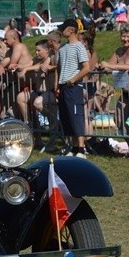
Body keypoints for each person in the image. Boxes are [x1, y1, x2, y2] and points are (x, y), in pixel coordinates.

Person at [99, 23, 129, 158]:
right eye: (123, 36)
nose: (125, 39)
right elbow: (109, 66)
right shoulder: (119, 51)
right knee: (119, 121)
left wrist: (111, 65)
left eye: (128, 36)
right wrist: (102, 66)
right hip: (124, 91)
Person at [54, 19, 90, 158]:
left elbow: (86, 67)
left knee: (76, 116)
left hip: (73, 86)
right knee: (67, 117)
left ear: (71, 30)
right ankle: (74, 146)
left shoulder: (79, 47)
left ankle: (81, 147)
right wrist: (58, 85)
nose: (62, 31)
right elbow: (59, 67)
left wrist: (73, 79)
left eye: (64, 28)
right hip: (64, 86)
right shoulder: (62, 48)